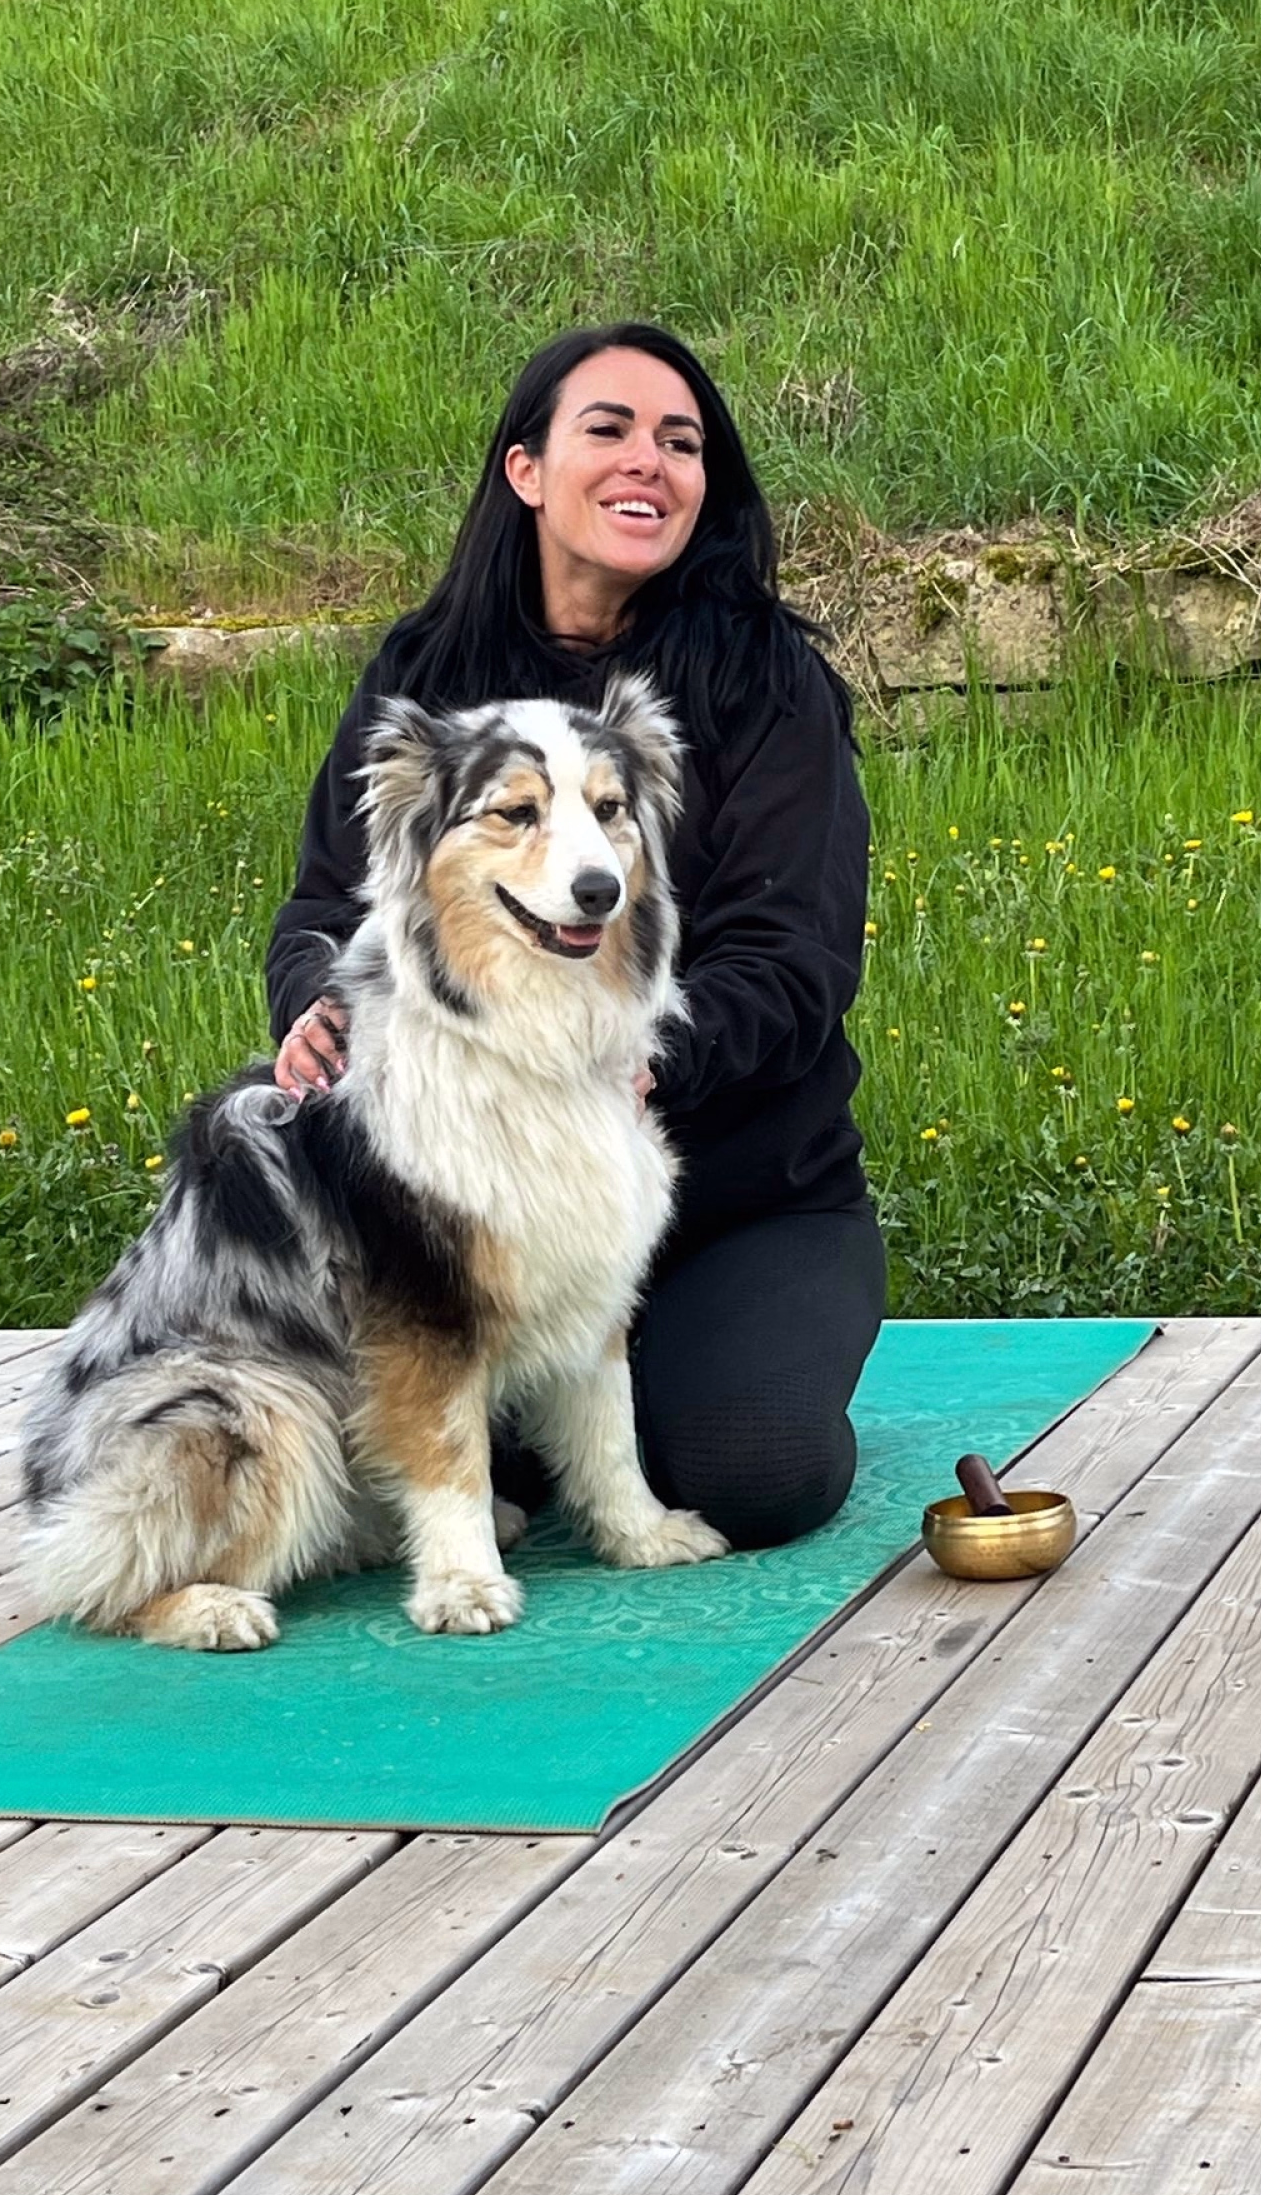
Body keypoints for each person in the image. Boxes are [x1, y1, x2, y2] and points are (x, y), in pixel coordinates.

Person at [265, 323, 883, 1550]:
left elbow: (794, 957)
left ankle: (626, 1399)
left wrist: (646, 1061)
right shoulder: (425, 670)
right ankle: (513, 1420)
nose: (648, 460)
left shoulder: (767, 679)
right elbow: (328, 906)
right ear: (527, 470)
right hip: (473, 1190)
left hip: (738, 1193)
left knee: (752, 1470)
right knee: (344, 1427)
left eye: (682, 441)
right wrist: (314, 1011)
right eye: (608, 429)